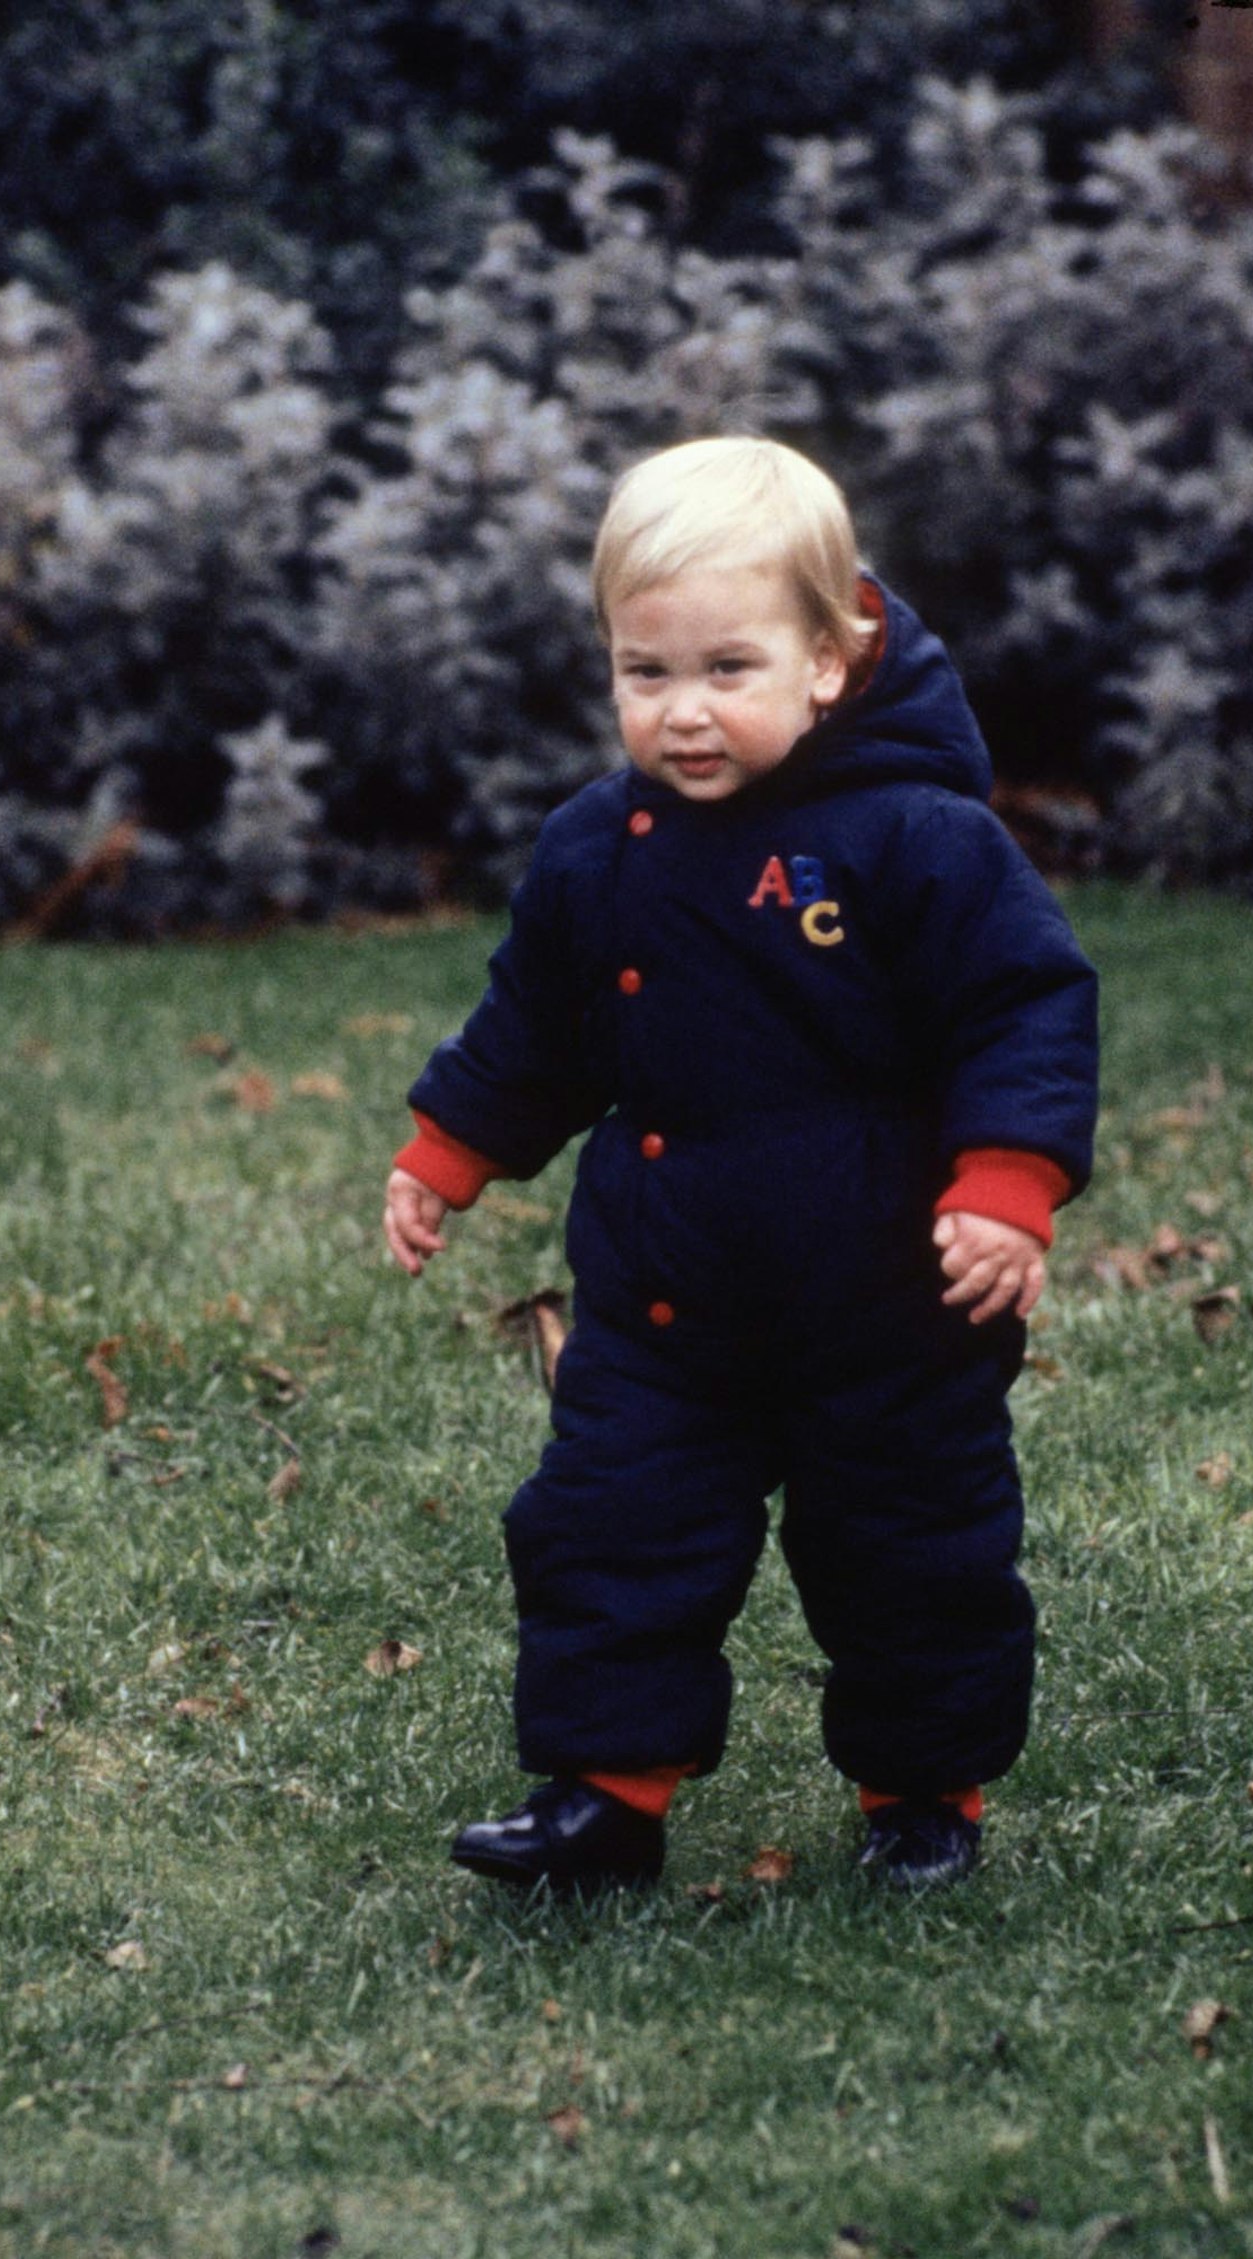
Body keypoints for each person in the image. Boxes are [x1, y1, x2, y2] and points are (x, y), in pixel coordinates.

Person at [383, 436, 1098, 1892]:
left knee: (912, 1551)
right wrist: (450, 1150)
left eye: (728, 669)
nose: (685, 712)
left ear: (829, 662)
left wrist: (1008, 1188)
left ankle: (925, 1791)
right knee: (609, 1526)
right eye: (646, 674)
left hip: (890, 1302)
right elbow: (537, 1023)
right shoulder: (601, 846)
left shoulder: (918, 837)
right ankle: (604, 1792)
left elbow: (1020, 1006)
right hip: (667, 1299)